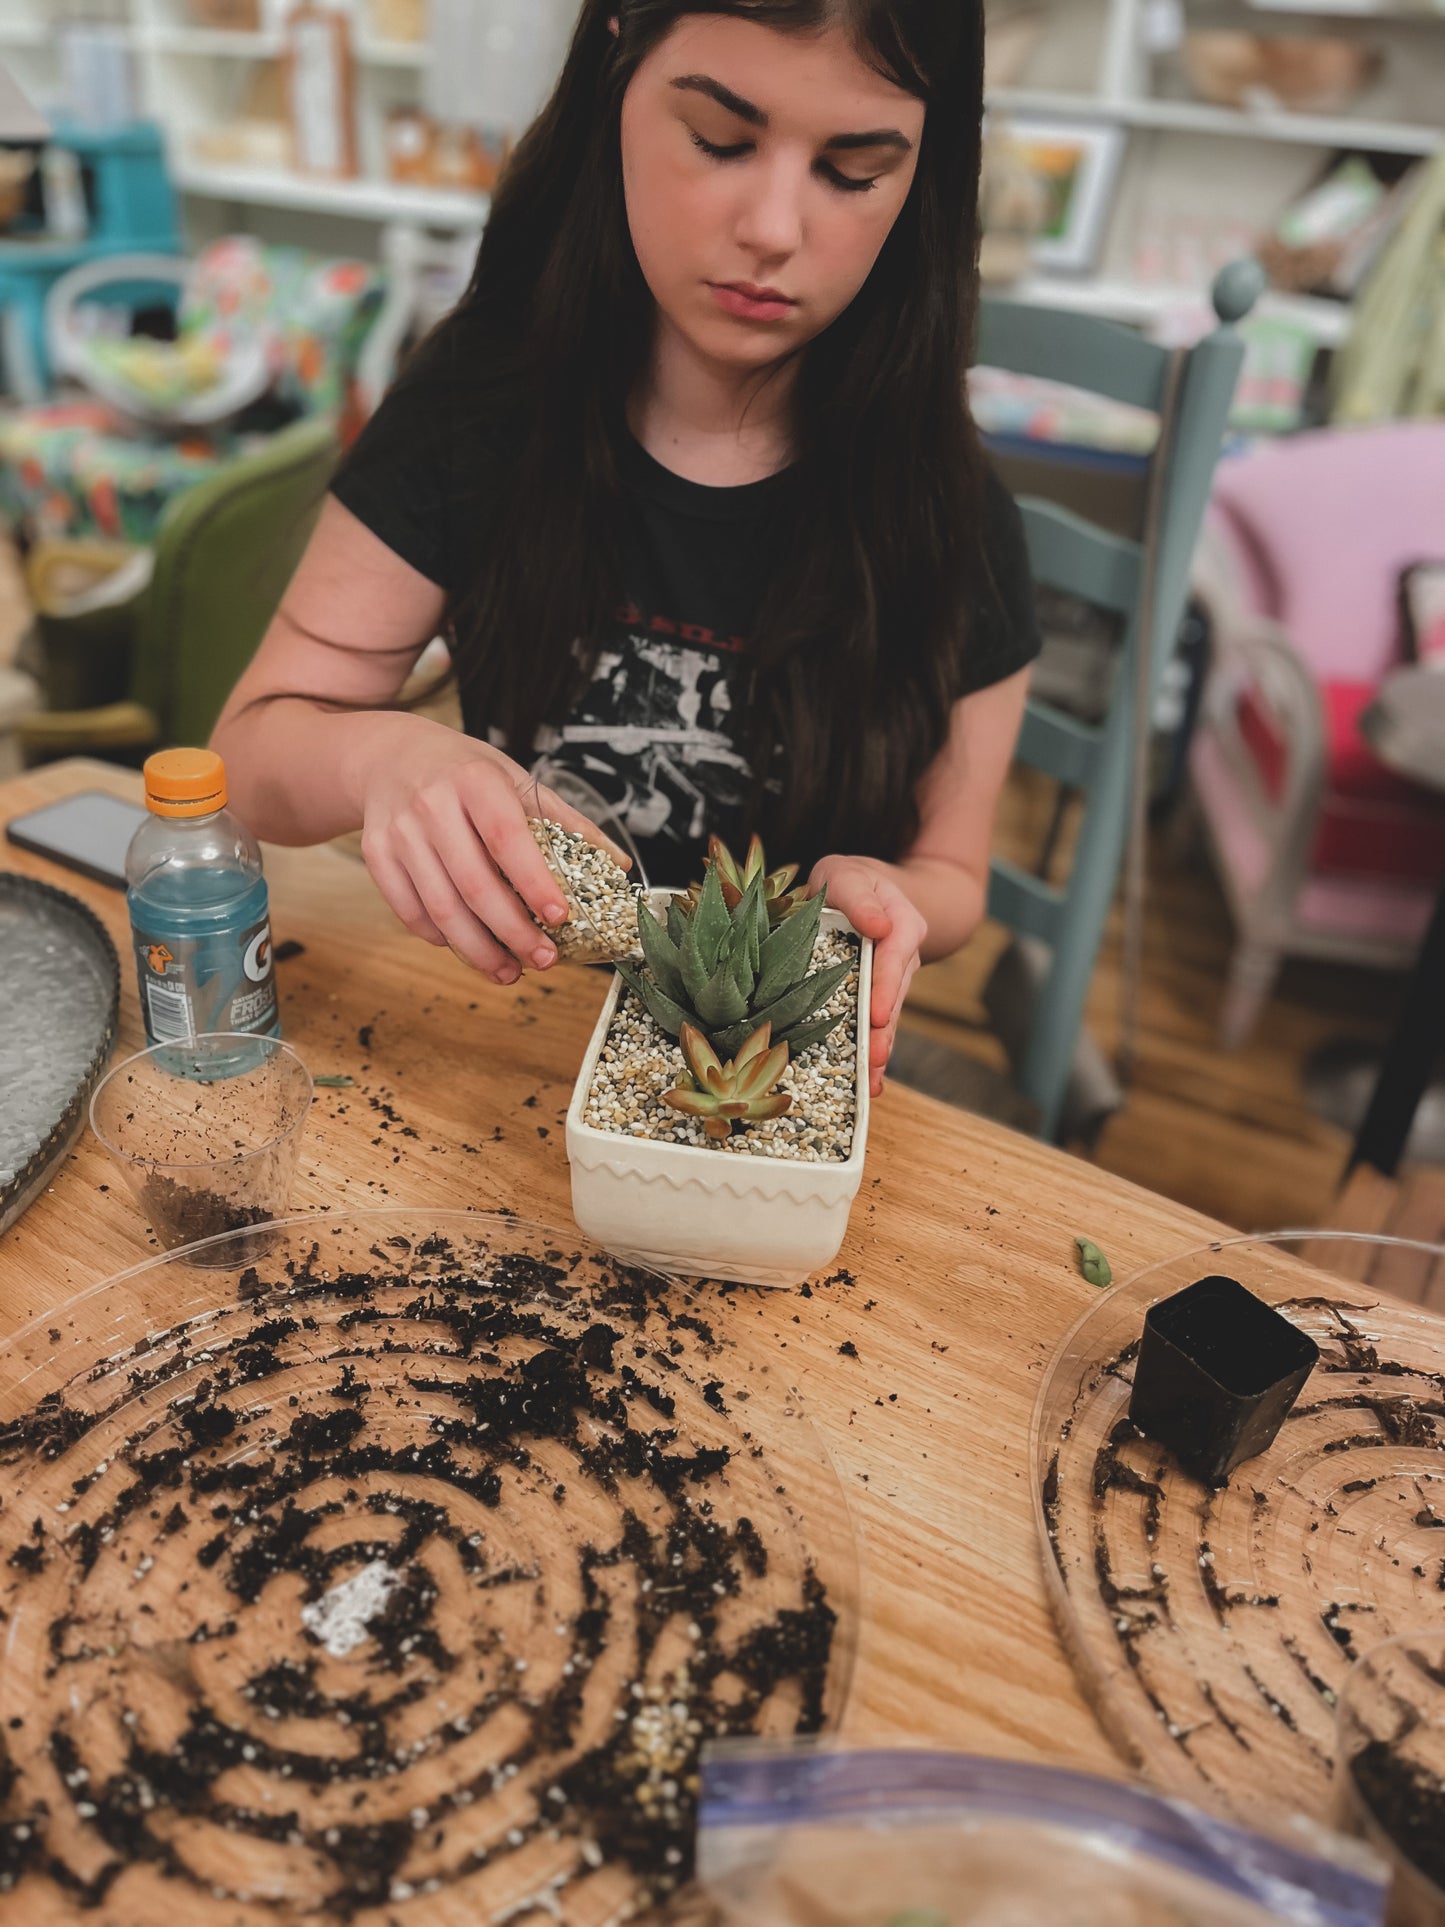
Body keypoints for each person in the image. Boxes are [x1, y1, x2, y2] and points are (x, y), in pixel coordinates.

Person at [213, 0, 1040, 1100]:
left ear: (923, 177)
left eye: (852, 171)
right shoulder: (481, 406)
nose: (773, 229)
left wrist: (894, 894)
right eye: (718, 140)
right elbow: (248, 756)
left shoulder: (952, 513)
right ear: (617, 75)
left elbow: (954, 874)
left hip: (768, 1081)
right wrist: (383, 760)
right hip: (506, 1043)